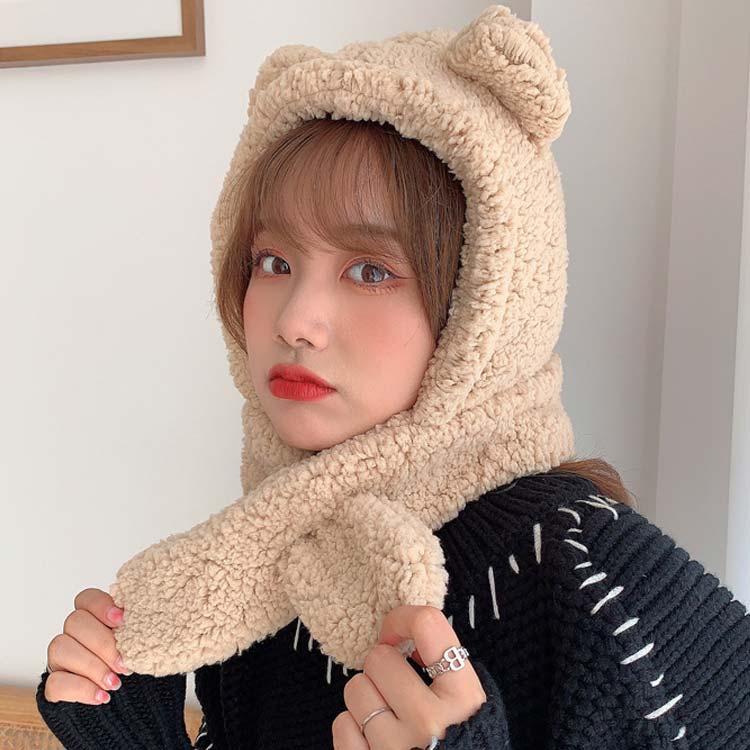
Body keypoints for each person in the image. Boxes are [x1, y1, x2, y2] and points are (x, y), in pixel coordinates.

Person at [36, 4, 750, 749]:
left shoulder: (588, 572)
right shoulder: (257, 569)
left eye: (371, 271)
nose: (295, 320)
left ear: (487, 304)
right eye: (273, 261)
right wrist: (131, 731)